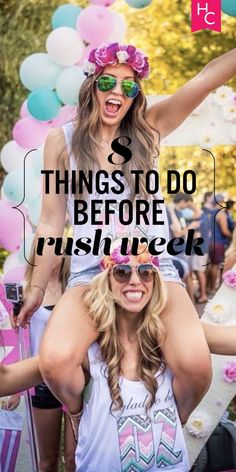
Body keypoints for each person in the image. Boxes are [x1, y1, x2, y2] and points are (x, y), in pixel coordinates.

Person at [16, 42, 236, 425]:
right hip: (89, 276)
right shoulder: (61, 141)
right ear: (91, 85)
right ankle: (90, 416)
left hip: (155, 273)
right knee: (55, 361)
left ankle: (165, 424)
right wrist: (36, 289)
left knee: (196, 366)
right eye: (108, 82)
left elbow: (204, 79)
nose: (118, 92)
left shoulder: (150, 129)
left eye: (129, 87)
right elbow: (52, 222)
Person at [1, 244, 236, 471]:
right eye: (122, 271)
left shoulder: (175, 341)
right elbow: (8, 379)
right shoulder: (85, 351)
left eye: (145, 272)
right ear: (106, 281)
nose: (135, 280)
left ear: (155, 280)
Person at [17, 250, 76, 472]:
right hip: (42, 380)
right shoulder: (25, 290)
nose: (51, 256)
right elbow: (18, 340)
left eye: (57, 250)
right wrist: (16, 390)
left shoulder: (74, 288)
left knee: (73, 459)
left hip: (75, 380)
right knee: (47, 461)